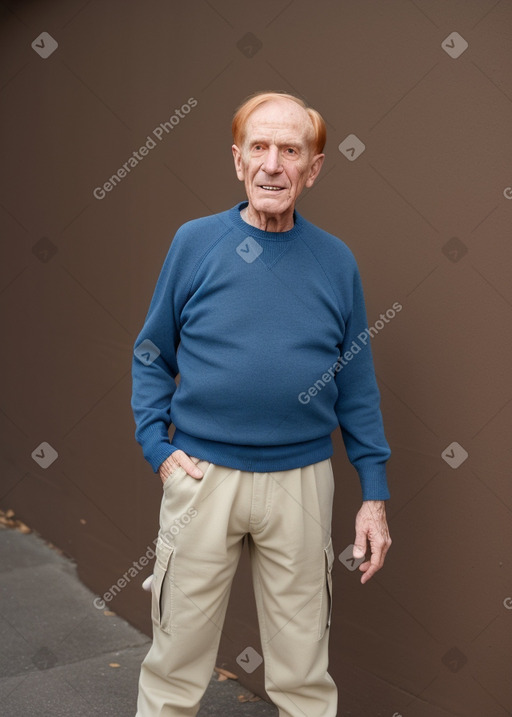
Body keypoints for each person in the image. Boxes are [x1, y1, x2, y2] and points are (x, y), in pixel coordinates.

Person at [131, 90, 392, 717]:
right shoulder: (194, 244)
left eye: (290, 150)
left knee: (304, 670)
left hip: (301, 482)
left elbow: (357, 386)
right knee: (174, 660)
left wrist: (374, 497)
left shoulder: (335, 262)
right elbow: (150, 355)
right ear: (238, 160)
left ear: (314, 167)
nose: (273, 164)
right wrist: (158, 450)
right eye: (260, 148)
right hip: (201, 478)